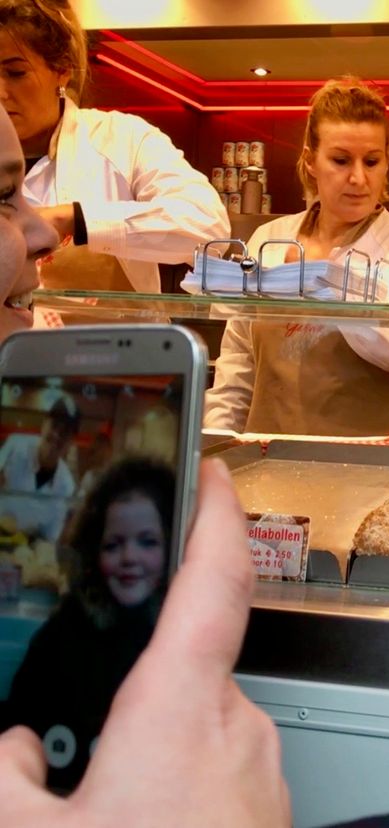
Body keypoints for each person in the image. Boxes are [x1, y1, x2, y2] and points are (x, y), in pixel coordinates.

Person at [0, 102, 288, 825]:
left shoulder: (124, 137)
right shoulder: (55, 637)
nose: (42, 231)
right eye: (3, 197)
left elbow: (198, 218)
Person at [205, 77, 389, 436]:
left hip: (368, 471)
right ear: (310, 161)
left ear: (387, 161)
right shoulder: (268, 241)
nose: (358, 178)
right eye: (340, 160)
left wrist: (344, 302)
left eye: (371, 161)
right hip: (266, 459)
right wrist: (219, 444)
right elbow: (238, 367)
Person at [0, 0, 229, 294]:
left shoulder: (121, 138)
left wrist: (74, 218)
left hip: (117, 339)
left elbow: (208, 228)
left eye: (16, 73)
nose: (2, 93)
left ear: (62, 71)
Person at [5, 457, 175, 791]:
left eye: (148, 542)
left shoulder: (177, 635)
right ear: (93, 552)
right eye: (113, 545)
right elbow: (20, 719)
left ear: (172, 548)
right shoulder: (65, 630)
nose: (129, 557)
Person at [0, 395, 79, 543]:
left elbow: (51, 536)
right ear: (44, 425)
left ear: (71, 441)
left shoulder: (66, 484)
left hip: (29, 550)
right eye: (54, 426)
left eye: (65, 432)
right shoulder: (15, 446)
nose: (57, 436)